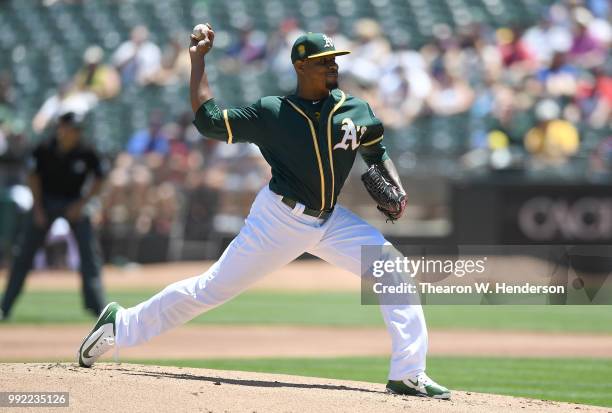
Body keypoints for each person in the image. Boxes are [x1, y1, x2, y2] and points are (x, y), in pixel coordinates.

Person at [77, 26, 450, 400]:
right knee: (210, 290)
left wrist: (396, 187)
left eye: (335, 60)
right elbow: (208, 121)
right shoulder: (272, 112)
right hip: (280, 220)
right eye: (323, 62)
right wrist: (198, 61)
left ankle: (407, 373)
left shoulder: (355, 109)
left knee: (393, 269)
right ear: (301, 66)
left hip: (331, 220)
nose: (333, 66)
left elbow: (376, 153)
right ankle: (120, 324)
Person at [1, 111, 108, 321]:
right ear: (61, 128)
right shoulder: (44, 148)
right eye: (71, 129)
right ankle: (5, 307)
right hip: (46, 202)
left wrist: (82, 204)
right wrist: (38, 208)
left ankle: (97, 308)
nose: (75, 133)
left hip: (73, 203)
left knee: (89, 255)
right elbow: (33, 178)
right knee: (24, 254)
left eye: (78, 130)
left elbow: (100, 178)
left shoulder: (86, 150)